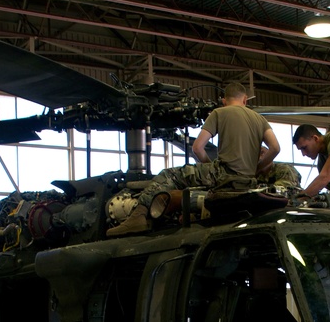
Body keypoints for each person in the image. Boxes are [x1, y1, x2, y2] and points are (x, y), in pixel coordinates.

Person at [108, 83, 280, 236]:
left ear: (224, 100)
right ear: (245, 100)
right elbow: (275, 148)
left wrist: (209, 167)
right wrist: (255, 168)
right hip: (247, 181)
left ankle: (138, 217)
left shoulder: (220, 112)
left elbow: (197, 148)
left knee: (169, 174)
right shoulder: (260, 119)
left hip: (223, 174)